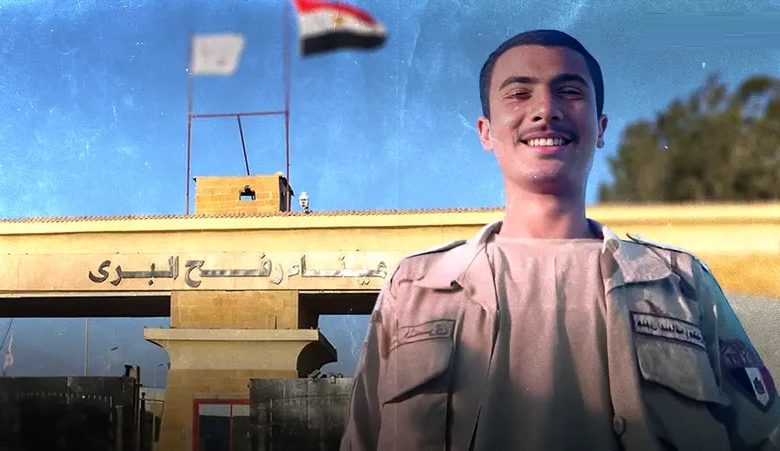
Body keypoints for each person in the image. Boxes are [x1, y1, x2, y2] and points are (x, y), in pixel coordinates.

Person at [340, 29, 780, 450]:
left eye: (569, 91)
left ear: (601, 128)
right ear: (486, 132)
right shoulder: (413, 288)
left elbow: (759, 438)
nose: (545, 109)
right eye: (519, 93)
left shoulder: (682, 284)